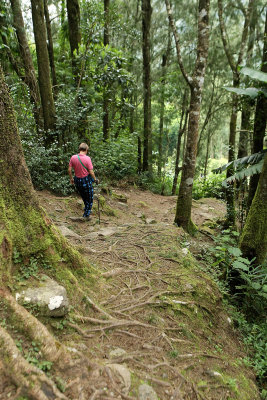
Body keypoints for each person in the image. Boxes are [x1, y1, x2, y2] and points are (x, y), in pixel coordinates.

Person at [68, 143, 98, 221]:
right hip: (85, 180)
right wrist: (95, 179)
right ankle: (86, 215)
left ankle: (87, 209)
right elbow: (91, 172)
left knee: (84, 196)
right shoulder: (87, 158)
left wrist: (71, 179)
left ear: (79, 149)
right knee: (90, 197)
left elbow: (69, 170)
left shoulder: (73, 157)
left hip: (77, 180)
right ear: (86, 150)